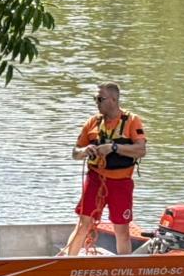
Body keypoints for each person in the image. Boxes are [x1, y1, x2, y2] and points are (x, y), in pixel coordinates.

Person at [63, 83, 147, 256]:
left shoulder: (132, 121)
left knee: (121, 229)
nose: (96, 102)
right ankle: (67, 263)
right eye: (95, 99)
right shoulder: (92, 122)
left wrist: (114, 148)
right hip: (95, 180)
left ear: (114, 100)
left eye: (100, 99)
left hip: (121, 183)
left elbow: (141, 150)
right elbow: (74, 153)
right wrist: (85, 151)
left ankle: (124, 269)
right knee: (83, 224)